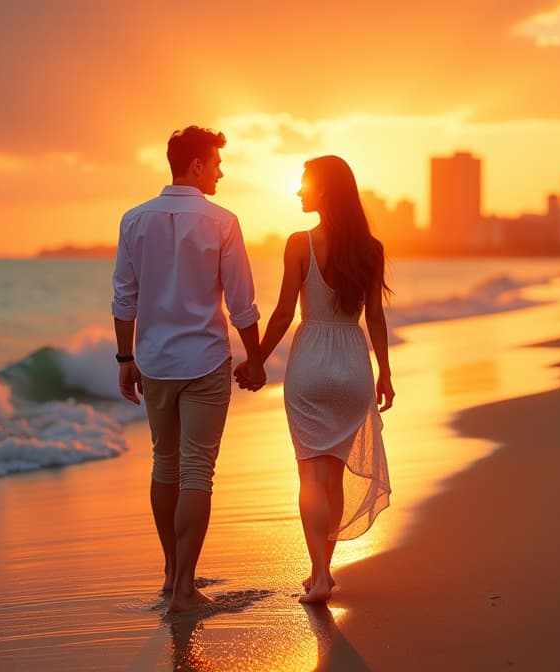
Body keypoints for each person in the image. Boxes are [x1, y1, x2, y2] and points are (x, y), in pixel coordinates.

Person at [112, 125, 266, 613]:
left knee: (165, 462)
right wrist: (256, 359)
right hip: (204, 361)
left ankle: (171, 573)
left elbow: (124, 296)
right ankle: (184, 588)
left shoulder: (133, 220)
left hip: (155, 362)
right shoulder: (223, 221)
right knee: (198, 469)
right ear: (195, 165)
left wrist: (125, 358)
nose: (221, 172)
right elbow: (242, 303)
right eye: (216, 163)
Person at [239, 155, 393, 604]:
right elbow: (377, 317)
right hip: (353, 364)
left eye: (304, 183)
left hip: (310, 366)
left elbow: (285, 313)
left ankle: (321, 574)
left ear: (324, 190)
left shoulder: (299, 243)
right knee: (333, 477)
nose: (298, 191)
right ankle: (321, 572)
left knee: (310, 474)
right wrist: (385, 371)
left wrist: (255, 362)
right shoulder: (371, 248)